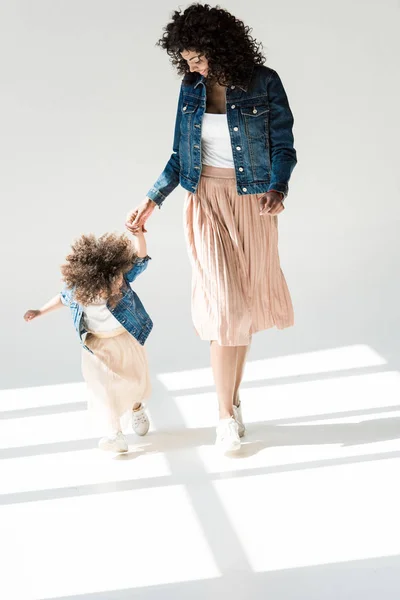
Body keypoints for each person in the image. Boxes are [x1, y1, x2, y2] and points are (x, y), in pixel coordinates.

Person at [126, 4, 297, 454]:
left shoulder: (264, 81)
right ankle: (223, 416)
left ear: (220, 48)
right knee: (223, 308)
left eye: (197, 57)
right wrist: (152, 198)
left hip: (254, 203)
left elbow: (284, 145)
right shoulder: (191, 89)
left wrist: (279, 187)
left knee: (242, 309)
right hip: (204, 201)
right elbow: (180, 154)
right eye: (185, 59)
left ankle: (233, 400)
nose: (191, 66)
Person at [24, 230, 152, 453]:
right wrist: (40, 311)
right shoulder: (79, 290)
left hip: (123, 340)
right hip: (97, 346)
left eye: (119, 278)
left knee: (132, 382)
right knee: (105, 389)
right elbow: (62, 299)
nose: (118, 283)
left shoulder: (120, 281)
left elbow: (140, 260)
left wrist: (139, 237)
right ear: (91, 282)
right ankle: (115, 434)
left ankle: (136, 406)